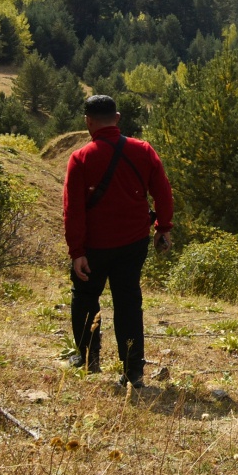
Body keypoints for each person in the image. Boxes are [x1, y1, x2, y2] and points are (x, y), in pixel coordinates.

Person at [62, 94, 174, 388]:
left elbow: (73, 211)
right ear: (118, 118)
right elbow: (163, 193)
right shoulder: (143, 150)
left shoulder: (80, 158)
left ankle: (89, 359)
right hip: (133, 242)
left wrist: (77, 251)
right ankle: (133, 370)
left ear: (88, 122)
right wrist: (163, 227)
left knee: (85, 296)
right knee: (128, 301)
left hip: (94, 246)